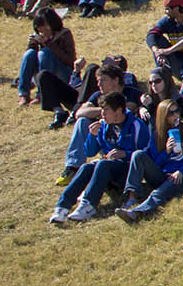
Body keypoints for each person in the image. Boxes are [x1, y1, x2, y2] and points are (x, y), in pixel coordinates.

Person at [49, 92, 151, 224]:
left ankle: (88, 205)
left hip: (128, 173)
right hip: (107, 171)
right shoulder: (103, 125)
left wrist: (125, 154)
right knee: (87, 166)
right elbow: (90, 152)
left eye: (106, 110)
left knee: (102, 165)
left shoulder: (136, 125)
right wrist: (92, 135)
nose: (102, 113)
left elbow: (145, 154)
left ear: (119, 110)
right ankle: (62, 206)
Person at [113, 99, 183, 222]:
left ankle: (137, 212)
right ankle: (132, 197)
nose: (175, 115)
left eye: (177, 111)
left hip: (182, 175)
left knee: (158, 193)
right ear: (163, 116)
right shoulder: (157, 135)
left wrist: (182, 171)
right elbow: (156, 163)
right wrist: (166, 152)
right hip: (162, 175)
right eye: (171, 113)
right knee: (138, 155)